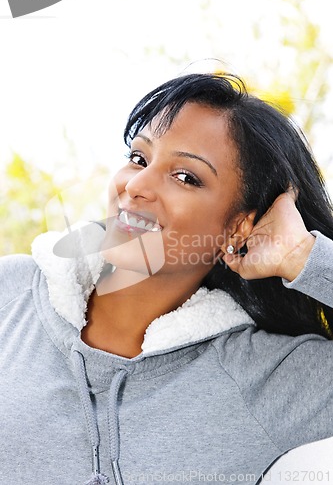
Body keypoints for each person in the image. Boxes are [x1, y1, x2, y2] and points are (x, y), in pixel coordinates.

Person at [0, 72, 333, 485]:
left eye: (185, 177)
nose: (136, 185)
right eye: (139, 158)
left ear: (239, 228)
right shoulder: (9, 294)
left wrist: (304, 257)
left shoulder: (269, 378)